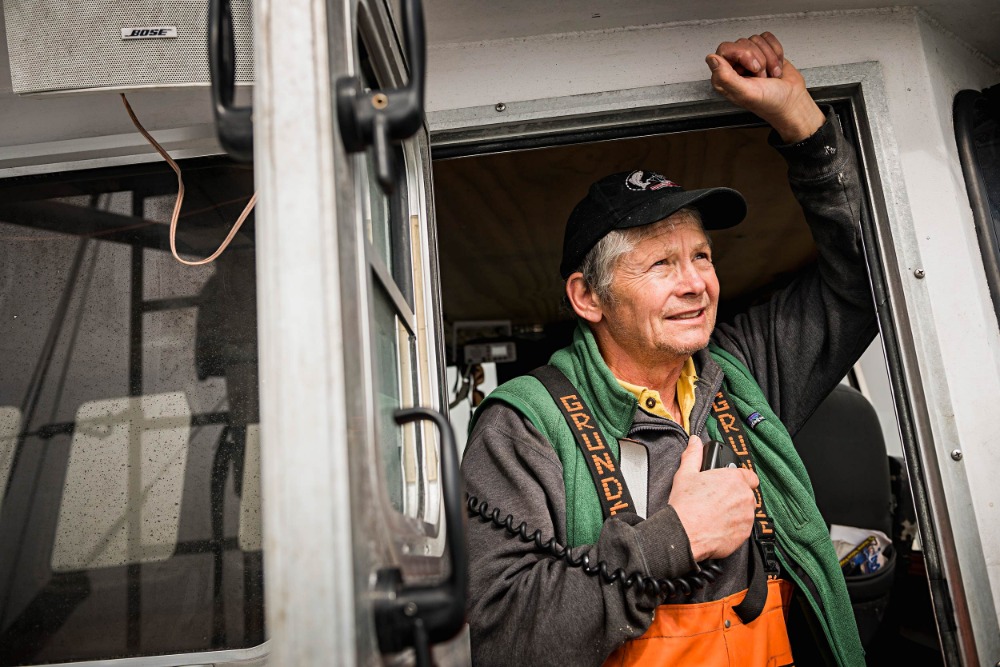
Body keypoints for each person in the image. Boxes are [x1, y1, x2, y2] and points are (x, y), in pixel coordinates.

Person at [461, 32, 878, 667]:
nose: (696, 283)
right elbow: (502, 641)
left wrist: (801, 120)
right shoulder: (524, 427)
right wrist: (675, 540)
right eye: (661, 263)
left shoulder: (742, 373)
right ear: (588, 297)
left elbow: (870, 279)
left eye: (701, 256)